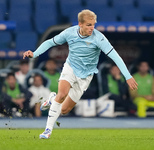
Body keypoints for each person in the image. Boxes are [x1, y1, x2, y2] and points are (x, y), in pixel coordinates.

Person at [23, 9, 138, 139]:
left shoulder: (99, 38)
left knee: (65, 110)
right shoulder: (69, 33)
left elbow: (115, 57)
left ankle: (51, 99)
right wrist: (35, 53)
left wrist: (127, 76)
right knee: (61, 95)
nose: (92, 28)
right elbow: (50, 42)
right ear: (80, 24)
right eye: (89, 25)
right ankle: (47, 130)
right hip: (70, 68)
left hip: (86, 76)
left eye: (93, 24)